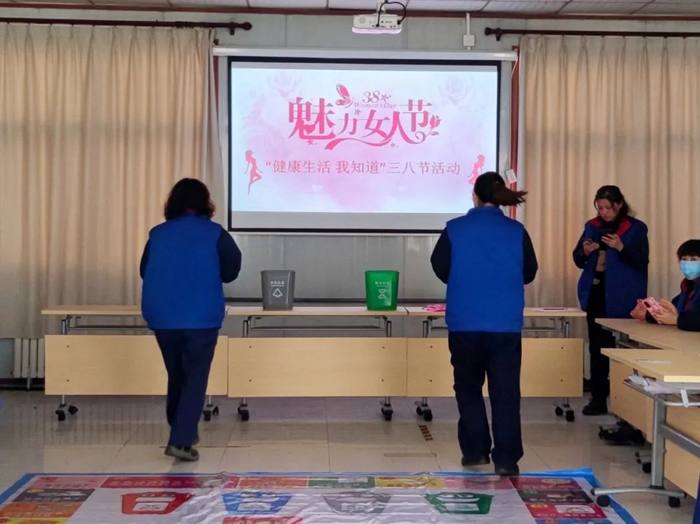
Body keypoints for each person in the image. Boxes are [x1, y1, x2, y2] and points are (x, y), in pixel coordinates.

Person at [430, 172, 538, 477]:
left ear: (475, 197)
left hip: (465, 323)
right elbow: (530, 272)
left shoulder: (455, 229)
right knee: (506, 392)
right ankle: (506, 459)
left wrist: (464, 278)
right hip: (505, 324)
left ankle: (475, 451)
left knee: (468, 389)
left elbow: (439, 266)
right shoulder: (517, 231)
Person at [140, 179, 242, 461]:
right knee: (195, 377)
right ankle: (181, 440)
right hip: (200, 317)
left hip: (162, 317)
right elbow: (231, 271)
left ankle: (181, 430)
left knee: (178, 375)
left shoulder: (158, 234)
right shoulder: (215, 234)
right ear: (205, 203)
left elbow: (144, 270)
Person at [573, 186, 649, 416]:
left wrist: (620, 247)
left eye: (608, 207)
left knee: (625, 349)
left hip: (623, 295)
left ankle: (628, 403)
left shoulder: (635, 228)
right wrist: (586, 252)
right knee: (598, 348)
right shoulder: (592, 226)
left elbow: (641, 261)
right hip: (597, 292)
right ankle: (598, 399)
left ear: (619, 204)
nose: (604, 212)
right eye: (600, 207)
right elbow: (577, 258)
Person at [631, 239, 700, 331]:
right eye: (684, 259)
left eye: (694, 259)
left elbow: (691, 319)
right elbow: (674, 314)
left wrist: (676, 320)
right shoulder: (687, 287)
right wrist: (647, 314)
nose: (688, 264)